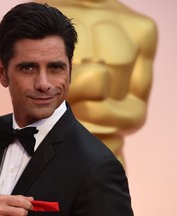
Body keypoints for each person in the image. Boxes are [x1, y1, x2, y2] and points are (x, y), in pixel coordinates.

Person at [0, 2, 133, 216]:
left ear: (70, 71)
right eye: (28, 67)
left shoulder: (97, 167)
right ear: (2, 72)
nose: (43, 84)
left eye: (55, 67)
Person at [35, 0, 158, 167]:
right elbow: (27, 94)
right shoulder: (39, 17)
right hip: (47, 156)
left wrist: (91, 105)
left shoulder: (141, 26)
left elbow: (137, 110)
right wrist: (84, 81)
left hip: (109, 158)